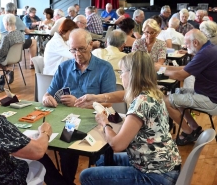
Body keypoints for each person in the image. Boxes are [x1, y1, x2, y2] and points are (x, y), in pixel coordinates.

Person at [76, 51, 182, 185]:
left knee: (87, 176)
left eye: (122, 72)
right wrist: (96, 97)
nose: (120, 75)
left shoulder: (141, 103)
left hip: (155, 176)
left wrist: (105, 123)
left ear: (133, 74)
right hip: (165, 163)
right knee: (102, 160)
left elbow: (117, 144)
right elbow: (124, 95)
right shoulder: (153, 93)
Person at [42, 28, 116, 184]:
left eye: (81, 49)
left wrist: (79, 102)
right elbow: (48, 93)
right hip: (66, 118)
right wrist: (46, 99)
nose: (77, 54)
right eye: (73, 49)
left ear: (90, 45)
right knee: (38, 142)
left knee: (66, 143)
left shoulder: (104, 68)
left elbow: (109, 102)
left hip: (92, 119)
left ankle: (66, 181)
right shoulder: (64, 67)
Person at [159, 29, 217, 146]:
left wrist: (160, 70)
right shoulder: (209, 48)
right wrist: (164, 67)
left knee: (165, 101)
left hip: (211, 100)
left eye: (187, 43)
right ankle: (194, 128)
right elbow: (187, 67)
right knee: (177, 92)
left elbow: (180, 76)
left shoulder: (205, 54)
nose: (185, 46)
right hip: (207, 93)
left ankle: (189, 131)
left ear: (195, 42)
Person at [0, 2, 37, 69]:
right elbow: (27, 31)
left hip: (1, 44)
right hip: (15, 44)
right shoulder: (15, 18)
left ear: (5, 10)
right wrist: (34, 30)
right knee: (34, 42)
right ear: (14, 11)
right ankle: (32, 63)